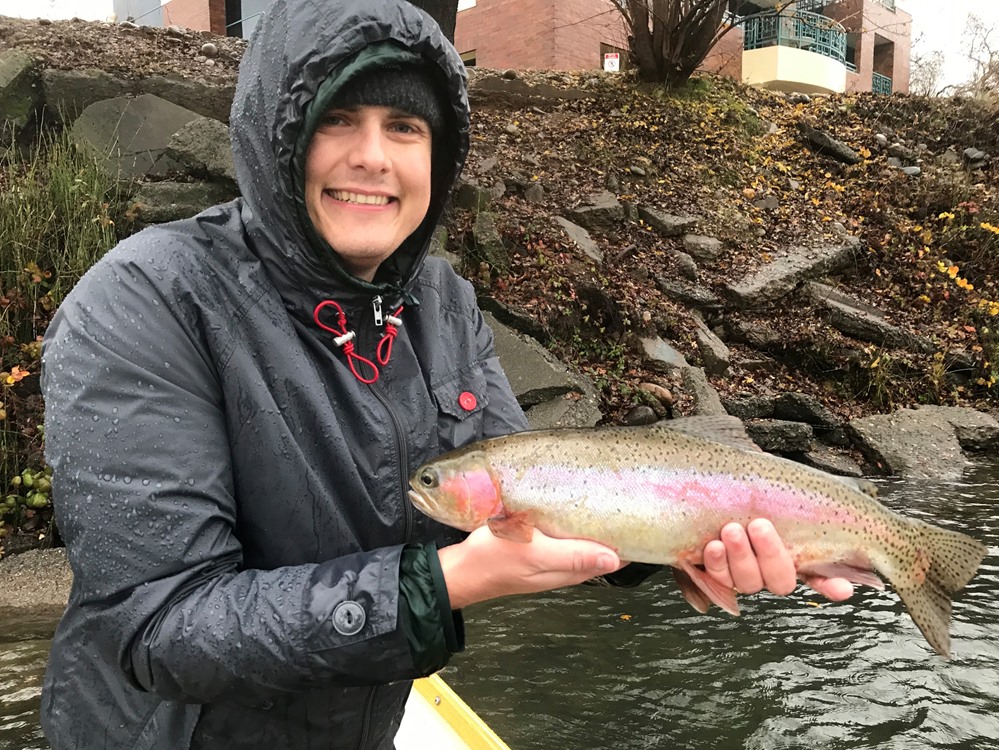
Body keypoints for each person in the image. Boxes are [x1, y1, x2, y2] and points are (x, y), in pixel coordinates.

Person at [38, 0, 853, 747]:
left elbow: (519, 491)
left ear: (439, 152)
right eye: (337, 120)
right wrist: (437, 587)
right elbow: (162, 627)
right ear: (274, 136)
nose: (371, 158)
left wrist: (671, 540)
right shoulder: (145, 301)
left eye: (404, 126)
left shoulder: (437, 296)